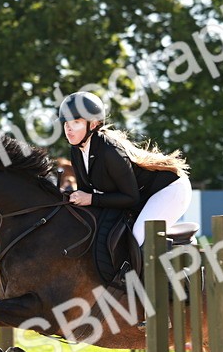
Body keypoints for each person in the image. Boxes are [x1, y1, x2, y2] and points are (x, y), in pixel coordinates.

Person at [58, 91, 191, 247]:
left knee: (137, 237)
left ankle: (162, 269)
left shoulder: (109, 151)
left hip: (169, 190)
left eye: (76, 123)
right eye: (66, 123)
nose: (69, 129)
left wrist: (91, 198)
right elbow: (85, 193)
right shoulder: (76, 151)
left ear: (93, 124)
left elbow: (130, 197)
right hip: (140, 195)